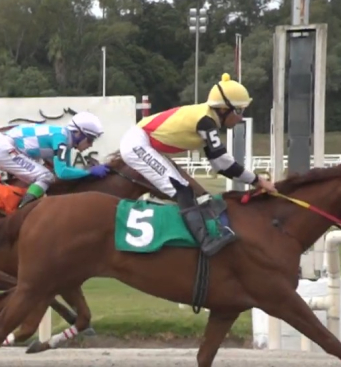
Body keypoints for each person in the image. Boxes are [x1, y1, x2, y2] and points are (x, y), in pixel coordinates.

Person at [119, 73, 277, 256]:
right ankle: (205, 241)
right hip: (137, 143)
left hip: (143, 142)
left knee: (194, 192)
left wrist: (255, 181)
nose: (241, 117)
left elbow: (219, 164)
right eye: (239, 111)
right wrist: (258, 181)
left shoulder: (208, 119)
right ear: (224, 109)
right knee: (182, 189)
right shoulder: (206, 122)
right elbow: (223, 163)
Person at [0, 111, 109, 208]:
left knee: (47, 176)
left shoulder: (65, 139)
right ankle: (22, 210)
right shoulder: (61, 139)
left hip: (7, 147)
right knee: (45, 176)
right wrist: (89, 172)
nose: (91, 145)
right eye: (90, 139)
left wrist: (86, 172)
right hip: (4, 149)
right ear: (77, 133)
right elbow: (62, 172)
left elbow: (66, 172)